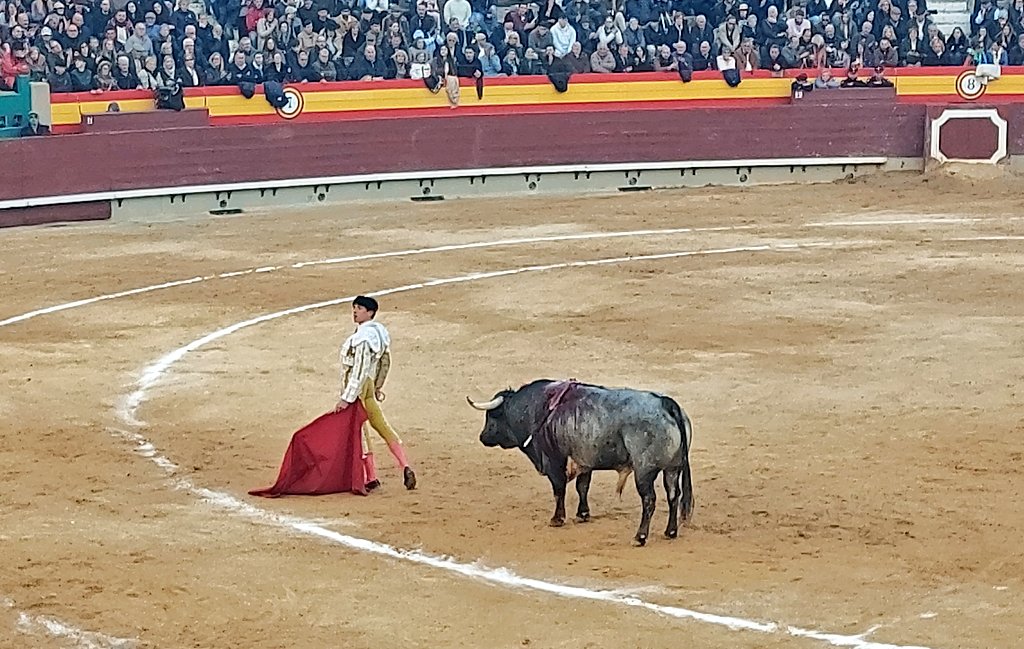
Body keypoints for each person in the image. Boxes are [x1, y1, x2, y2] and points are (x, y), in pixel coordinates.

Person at [335, 296, 417, 491]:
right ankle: (405, 465)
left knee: (360, 432)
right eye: (354, 307)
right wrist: (378, 386)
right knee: (382, 426)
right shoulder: (379, 333)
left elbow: (359, 370)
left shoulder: (363, 337)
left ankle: (371, 477)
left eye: (360, 308)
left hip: (359, 389)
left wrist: (347, 398)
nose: (355, 311)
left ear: (370, 312)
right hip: (369, 386)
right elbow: (385, 362)